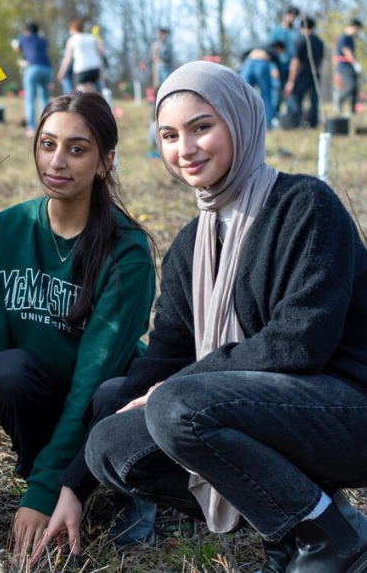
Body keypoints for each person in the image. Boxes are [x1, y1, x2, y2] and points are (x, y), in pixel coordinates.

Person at [82, 60, 367, 573]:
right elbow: (163, 356)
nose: (184, 149)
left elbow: (300, 344)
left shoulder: (306, 205)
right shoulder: (192, 244)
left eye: (201, 127)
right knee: (110, 445)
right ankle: (297, 527)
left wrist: (173, 390)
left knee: (178, 405)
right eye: (168, 135)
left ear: (239, 122)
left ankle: (336, 536)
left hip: (347, 411)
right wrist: (67, 486)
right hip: (255, 413)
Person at [0, 91, 157, 568]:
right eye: (47, 144)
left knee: (110, 393)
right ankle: (52, 472)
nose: (57, 161)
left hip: (103, 410)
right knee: (8, 369)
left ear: (105, 163)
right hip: (43, 401)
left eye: (77, 149)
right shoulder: (8, 230)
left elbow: (90, 379)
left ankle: (128, 488)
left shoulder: (128, 253)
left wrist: (43, 492)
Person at [284, 16, 325, 128]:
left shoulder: (301, 40)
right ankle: (313, 123)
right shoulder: (319, 42)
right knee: (313, 100)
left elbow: (295, 61)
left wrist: (291, 80)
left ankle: (297, 123)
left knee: (297, 98)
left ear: (302, 27)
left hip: (301, 74)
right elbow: (321, 60)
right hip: (315, 74)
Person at [15, 21, 53, 134]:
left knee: (30, 98)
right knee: (44, 98)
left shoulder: (24, 37)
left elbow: (17, 49)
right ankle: (47, 126)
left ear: (27, 30)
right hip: (47, 68)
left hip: (33, 68)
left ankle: (31, 128)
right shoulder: (43, 40)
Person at [240, 41, 285, 129]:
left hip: (248, 62)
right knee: (266, 95)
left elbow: (244, 53)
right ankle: (268, 124)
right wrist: (283, 86)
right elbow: (279, 67)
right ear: (278, 48)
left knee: (242, 93)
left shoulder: (257, 46)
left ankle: (243, 123)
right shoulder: (272, 51)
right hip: (261, 64)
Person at [269, 6, 301, 117]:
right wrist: (273, 67)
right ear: (285, 15)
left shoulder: (296, 33)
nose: (292, 18)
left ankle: (289, 117)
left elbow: (296, 54)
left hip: (291, 66)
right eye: (290, 15)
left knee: (290, 92)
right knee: (276, 92)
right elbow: (271, 51)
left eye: (295, 16)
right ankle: (273, 117)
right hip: (278, 66)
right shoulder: (276, 32)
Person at [57, 20, 104, 93]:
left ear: (73, 29)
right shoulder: (91, 37)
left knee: (81, 95)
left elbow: (68, 59)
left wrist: (62, 72)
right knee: (91, 92)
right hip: (94, 68)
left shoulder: (72, 39)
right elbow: (101, 50)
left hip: (82, 68)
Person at [335, 18, 363, 116]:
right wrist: (355, 63)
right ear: (354, 27)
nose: (358, 32)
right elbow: (347, 51)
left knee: (355, 88)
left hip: (350, 66)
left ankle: (352, 110)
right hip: (344, 66)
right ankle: (339, 100)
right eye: (357, 29)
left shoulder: (351, 39)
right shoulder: (344, 37)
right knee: (350, 86)